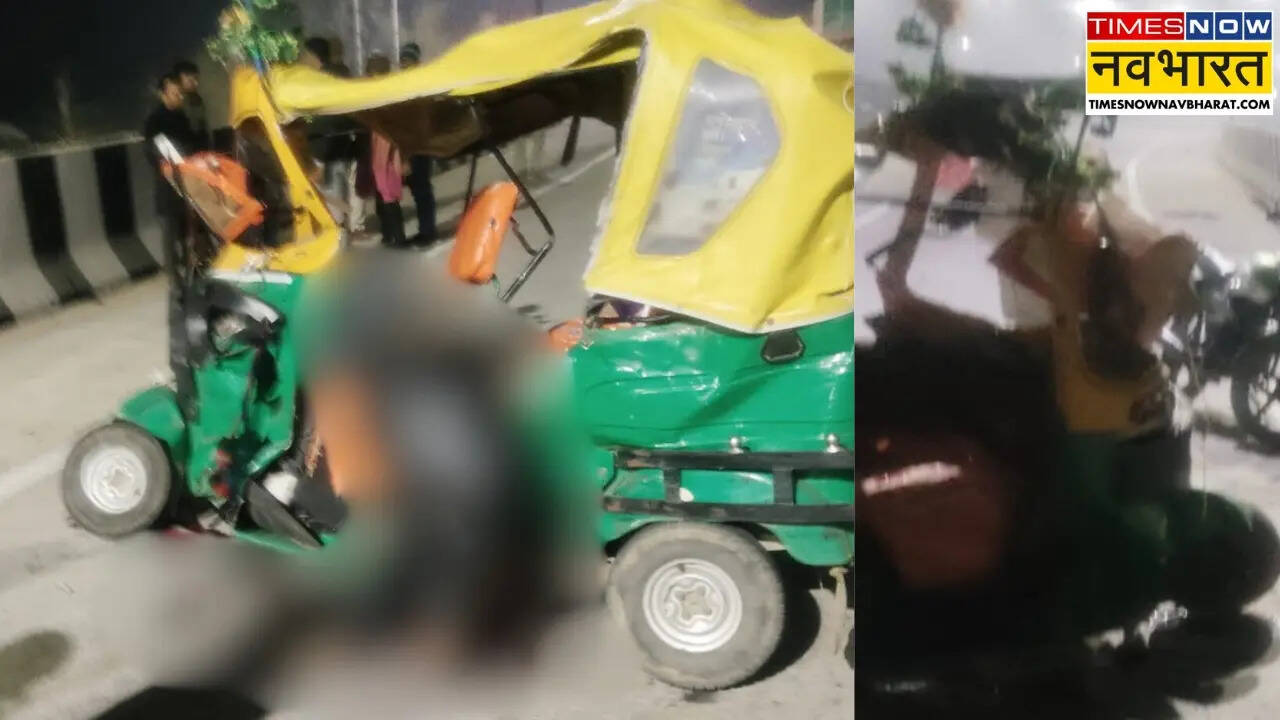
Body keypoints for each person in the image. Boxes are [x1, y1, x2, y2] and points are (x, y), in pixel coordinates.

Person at [365, 54, 407, 247]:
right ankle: (391, 234)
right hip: (382, 144)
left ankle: (396, 237)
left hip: (386, 144)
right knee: (384, 192)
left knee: (387, 193)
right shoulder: (386, 91)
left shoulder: (386, 93)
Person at [399, 42, 437, 247]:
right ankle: (426, 230)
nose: (404, 64)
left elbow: (415, 123)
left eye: (407, 60)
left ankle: (427, 232)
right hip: (416, 145)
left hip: (417, 146)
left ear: (415, 61)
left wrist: (406, 156)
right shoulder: (413, 83)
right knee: (419, 190)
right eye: (402, 60)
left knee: (421, 190)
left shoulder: (417, 86)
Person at [173, 60, 210, 151]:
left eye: (197, 79)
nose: (196, 83)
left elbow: (201, 125)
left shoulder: (196, 99)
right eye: (192, 79)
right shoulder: (173, 102)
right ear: (182, 77)